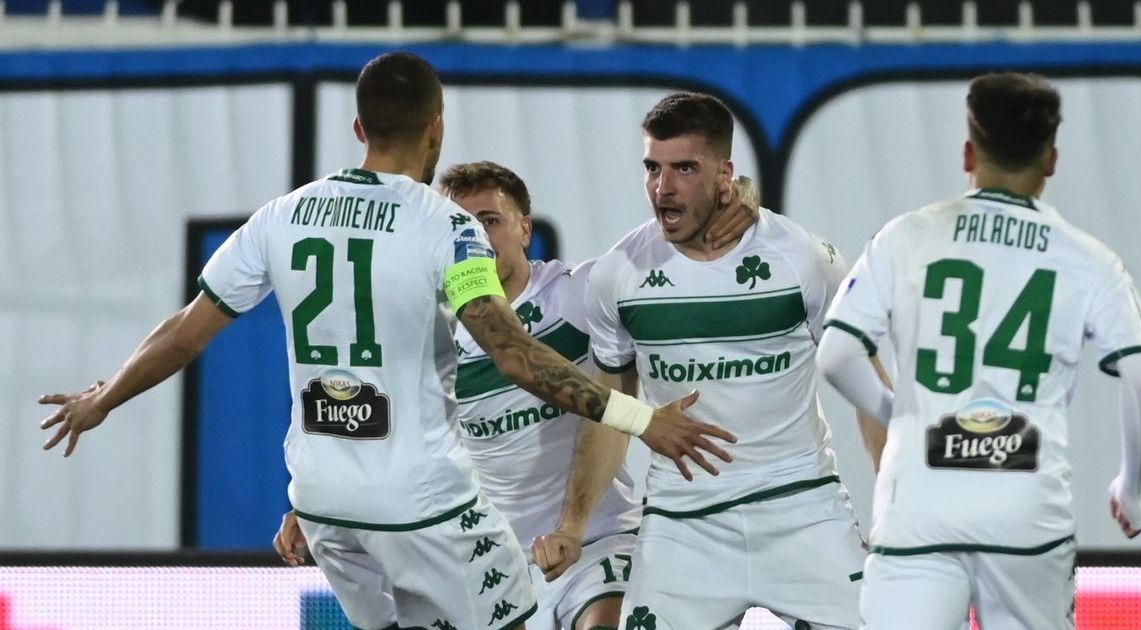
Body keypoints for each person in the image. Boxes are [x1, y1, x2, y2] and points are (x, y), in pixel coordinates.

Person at [37, 52, 737, 630]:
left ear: (358, 127)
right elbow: (513, 352)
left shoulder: (283, 216)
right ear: (437, 128)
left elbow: (184, 334)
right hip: (421, 505)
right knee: (521, 612)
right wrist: (639, 418)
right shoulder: (446, 227)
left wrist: (103, 398)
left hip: (323, 503)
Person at [274, 160, 761, 630]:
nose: (477, 238)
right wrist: (317, 509)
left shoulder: (575, 296)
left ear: (525, 229)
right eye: (461, 224)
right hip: (491, 558)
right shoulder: (424, 336)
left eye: (490, 221)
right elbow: (379, 435)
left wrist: (740, 194)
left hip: (598, 539)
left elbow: (683, 233)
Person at [816, 72, 1141, 630]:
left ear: (967, 154)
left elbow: (836, 356)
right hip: (1026, 509)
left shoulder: (906, 237)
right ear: (1051, 160)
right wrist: (1132, 487)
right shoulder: (1089, 260)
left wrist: (900, 415)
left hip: (920, 504)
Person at [533, 92, 886, 630]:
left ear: (725, 174)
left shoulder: (802, 259)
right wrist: (572, 526)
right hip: (683, 524)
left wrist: (896, 499)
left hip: (799, 507)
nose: (662, 187)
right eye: (652, 167)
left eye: (684, 168)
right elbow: (610, 408)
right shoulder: (619, 275)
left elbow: (864, 380)